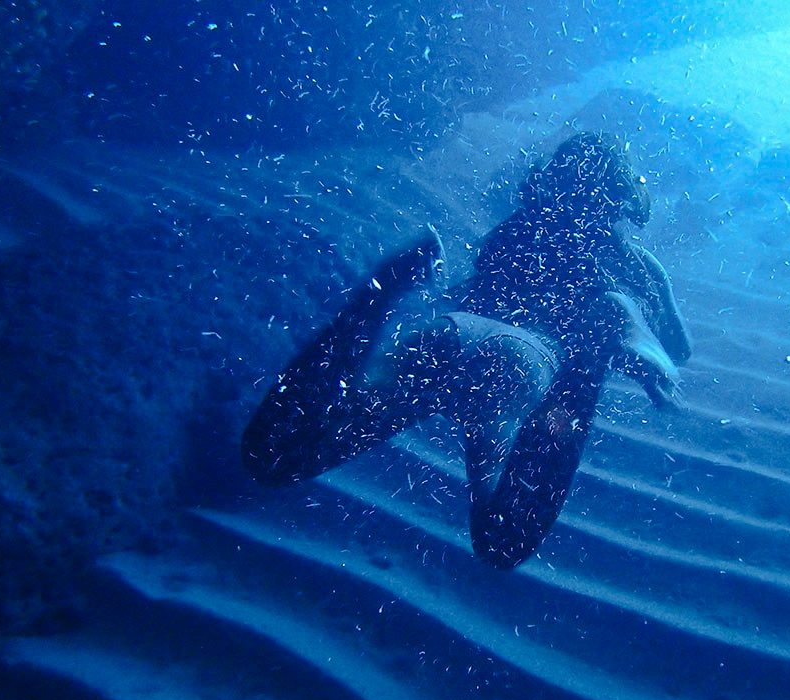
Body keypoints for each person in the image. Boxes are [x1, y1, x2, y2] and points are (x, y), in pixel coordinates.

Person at [242, 132, 692, 567]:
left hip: (450, 336)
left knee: (275, 459)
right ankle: (607, 328)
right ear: (623, 195)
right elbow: (681, 348)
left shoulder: (521, 224)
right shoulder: (632, 261)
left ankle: (383, 293)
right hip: (524, 361)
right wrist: (644, 318)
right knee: (502, 545)